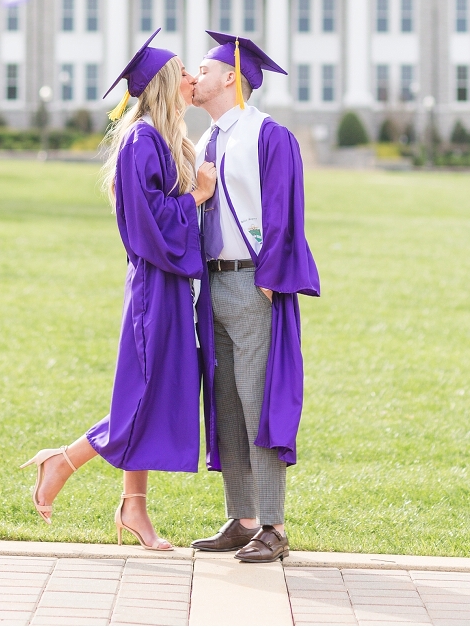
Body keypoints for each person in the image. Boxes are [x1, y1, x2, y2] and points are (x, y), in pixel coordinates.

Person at [21, 29, 217, 551]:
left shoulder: (167, 139)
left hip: (170, 283)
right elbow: (149, 222)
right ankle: (63, 461)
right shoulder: (140, 142)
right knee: (145, 395)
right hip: (155, 284)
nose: (194, 78)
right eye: (185, 73)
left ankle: (134, 509)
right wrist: (197, 196)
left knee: (155, 394)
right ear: (163, 85)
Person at [190, 32, 320, 563]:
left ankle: (274, 524)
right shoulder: (204, 141)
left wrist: (269, 278)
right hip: (211, 284)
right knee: (225, 403)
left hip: (251, 282)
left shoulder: (268, 135)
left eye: (201, 69)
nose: (192, 78)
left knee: (257, 402)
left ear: (229, 76)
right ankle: (242, 518)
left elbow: (286, 210)